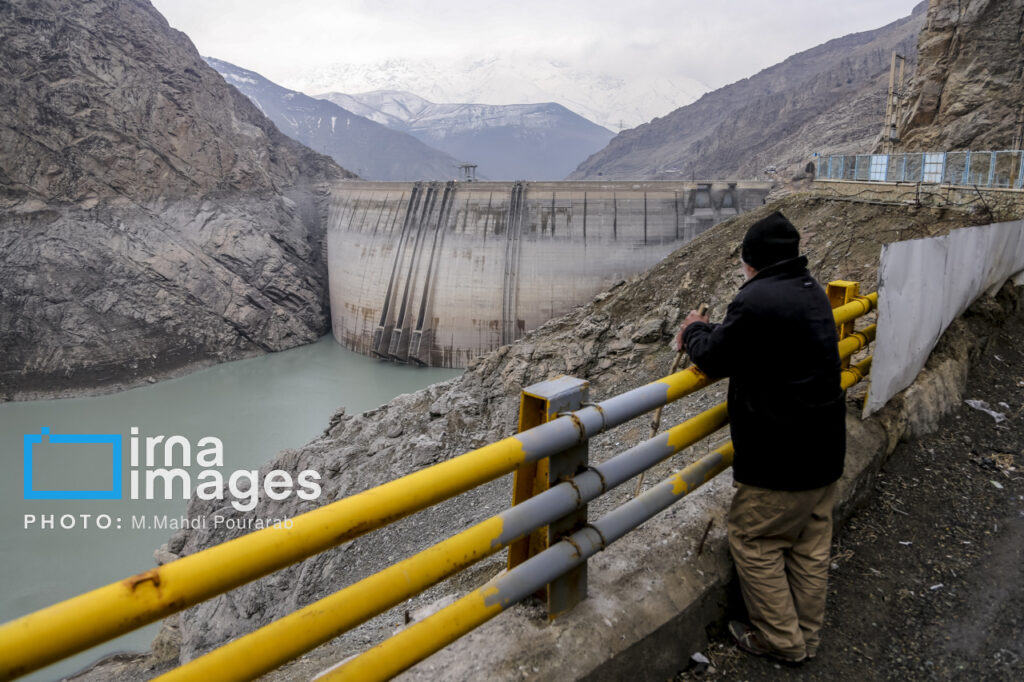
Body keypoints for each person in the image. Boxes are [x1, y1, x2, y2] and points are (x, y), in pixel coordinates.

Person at [675, 211, 846, 664]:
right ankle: (805, 636)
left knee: (754, 540)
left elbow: (715, 356)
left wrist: (693, 329)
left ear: (751, 260)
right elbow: (751, 342)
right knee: (809, 546)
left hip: (780, 458)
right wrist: (709, 330)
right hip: (825, 448)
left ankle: (780, 641)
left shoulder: (756, 299)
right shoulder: (809, 289)